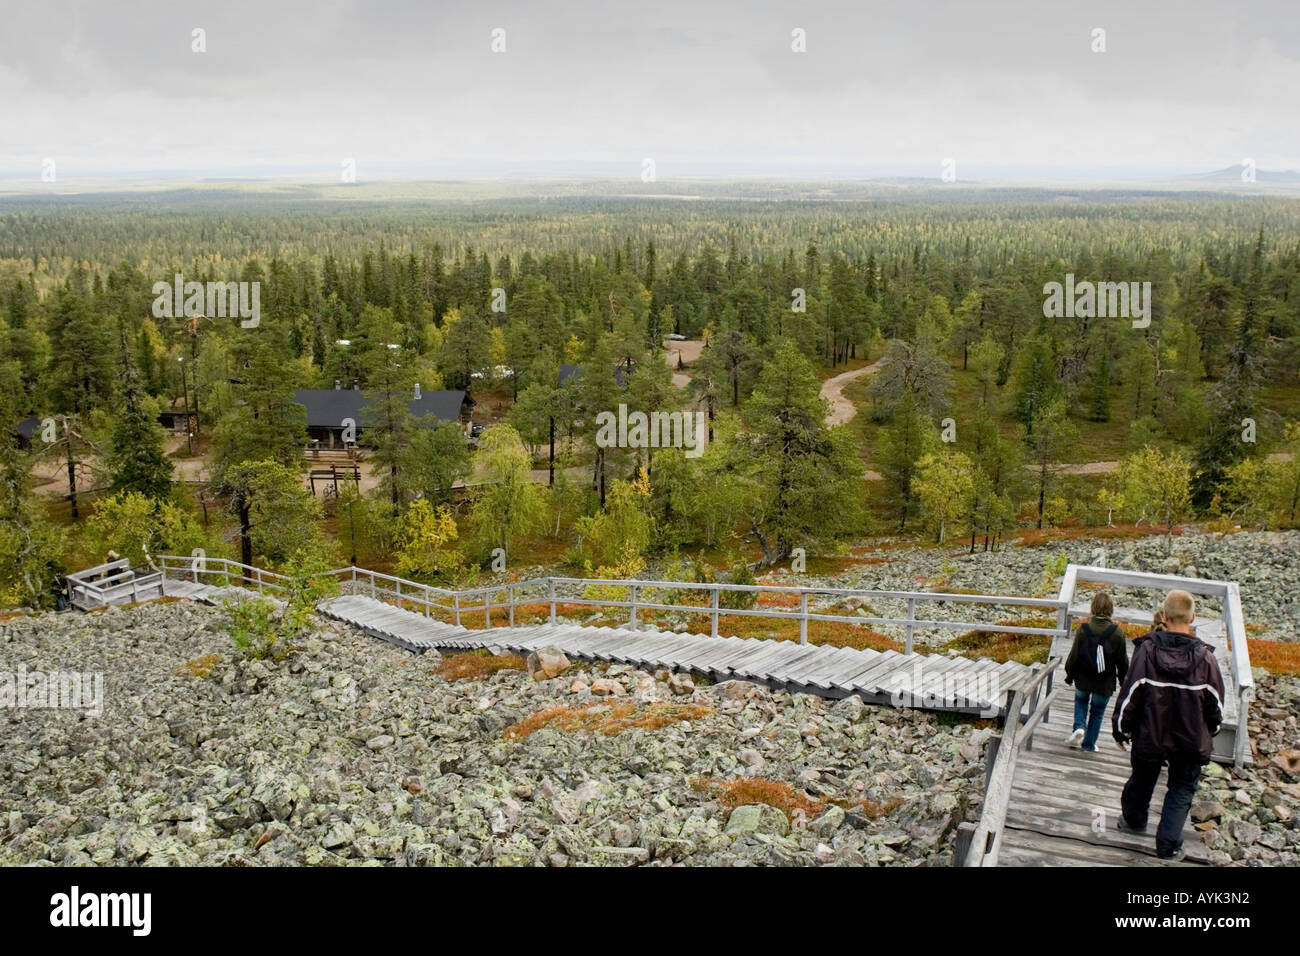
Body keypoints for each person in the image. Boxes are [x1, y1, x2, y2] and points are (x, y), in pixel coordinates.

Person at [1112, 589, 1224, 862]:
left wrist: (1121, 728)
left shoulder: (1146, 651)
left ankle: (1134, 821)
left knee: (1142, 778)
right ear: (1193, 616)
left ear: (1164, 615)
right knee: (1182, 789)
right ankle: (1168, 846)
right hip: (1191, 738)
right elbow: (1216, 705)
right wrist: (1214, 729)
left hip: (1150, 734)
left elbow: (1130, 694)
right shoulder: (1206, 659)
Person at [1063, 591, 1128, 752]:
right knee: (1097, 712)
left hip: (1083, 678)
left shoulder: (1084, 629)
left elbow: (1074, 656)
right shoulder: (1117, 633)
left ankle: (1079, 727)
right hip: (1104, 683)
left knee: (1081, 702)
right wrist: (1123, 682)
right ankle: (1089, 744)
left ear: (1092, 608)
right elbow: (1122, 662)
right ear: (1110, 610)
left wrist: (1069, 676)